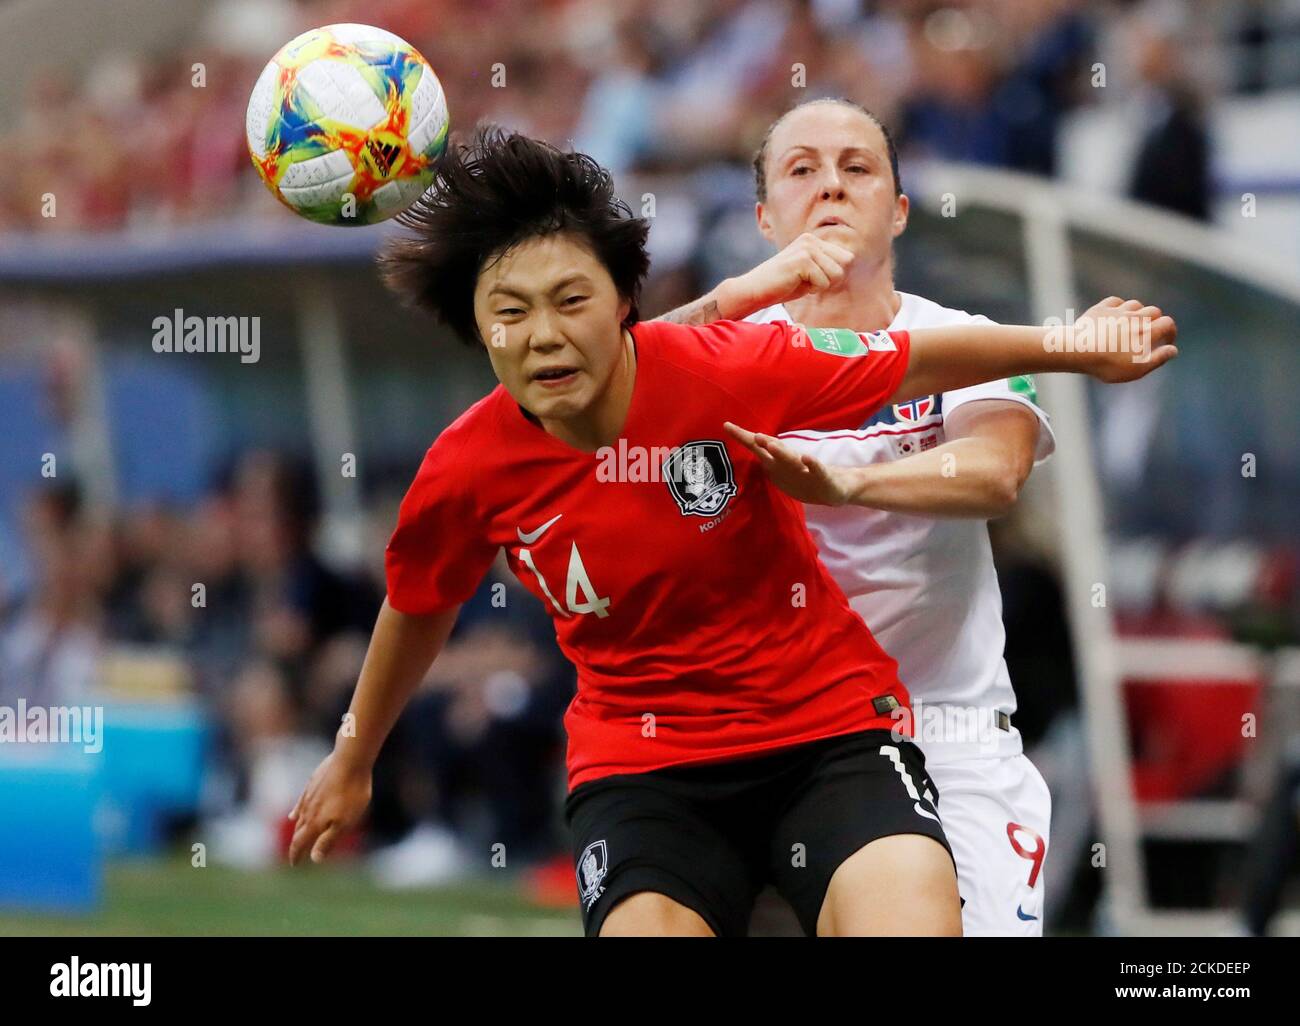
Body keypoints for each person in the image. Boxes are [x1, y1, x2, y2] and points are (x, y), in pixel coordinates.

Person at [286, 125, 1177, 937]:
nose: (544, 335)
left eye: (570, 299)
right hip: (645, 767)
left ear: (621, 302)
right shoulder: (469, 464)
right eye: (511, 313)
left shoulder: (733, 364)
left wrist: (1073, 343)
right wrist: (353, 753)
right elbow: (419, 602)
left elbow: (935, 388)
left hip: (834, 734)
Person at [657, 96, 1073, 934]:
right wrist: (736, 299)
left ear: (900, 211)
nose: (832, 189)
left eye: (858, 169)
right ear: (765, 218)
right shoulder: (717, 358)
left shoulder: (961, 340)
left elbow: (997, 473)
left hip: (944, 732)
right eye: (802, 171)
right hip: (764, 740)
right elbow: (594, 399)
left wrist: (844, 486)